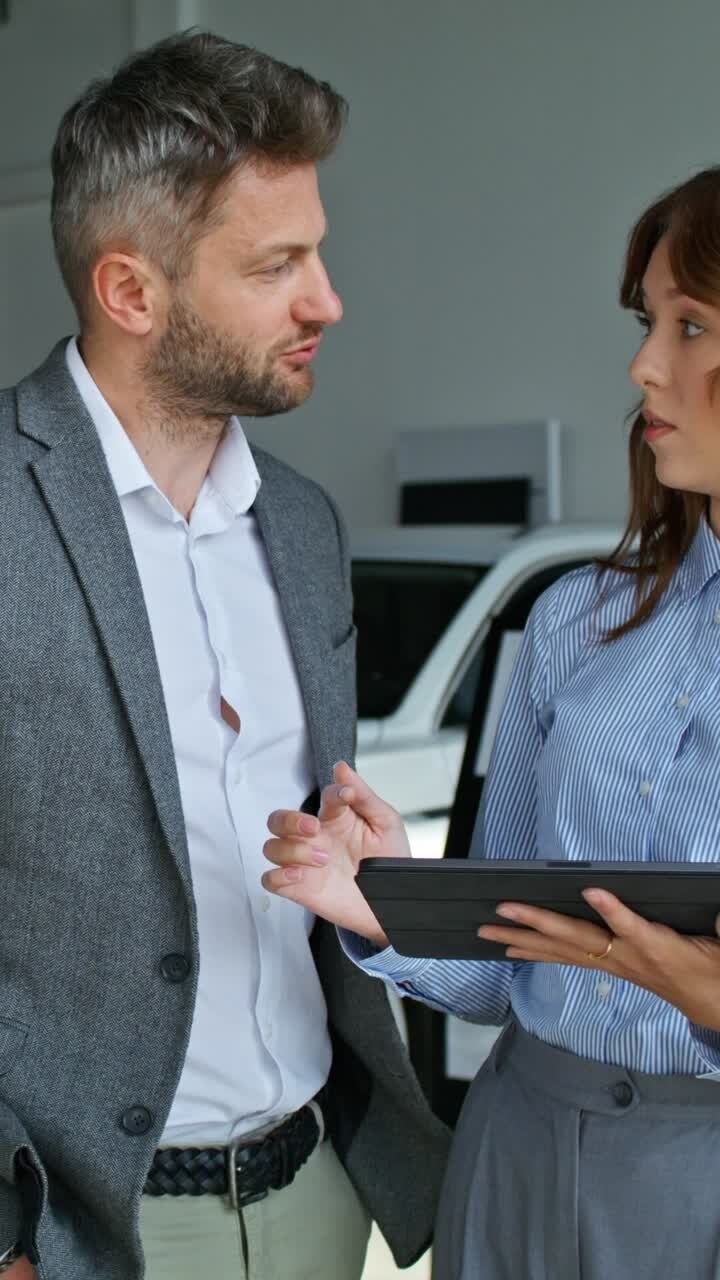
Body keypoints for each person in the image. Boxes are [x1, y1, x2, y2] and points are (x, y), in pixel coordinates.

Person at [0, 30, 450, 1280]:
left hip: (322, 1197)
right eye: (279, 264)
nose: (328, 299)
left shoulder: (302, 526)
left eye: (319, 250)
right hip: (88, 1231)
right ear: (132, 291)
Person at [263, 165, 720, 1280]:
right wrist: (384, 895)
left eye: (692, 323)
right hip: (517, 1145)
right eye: (647, 320)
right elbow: (500, 962)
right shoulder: (574, 620)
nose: (643, 365)